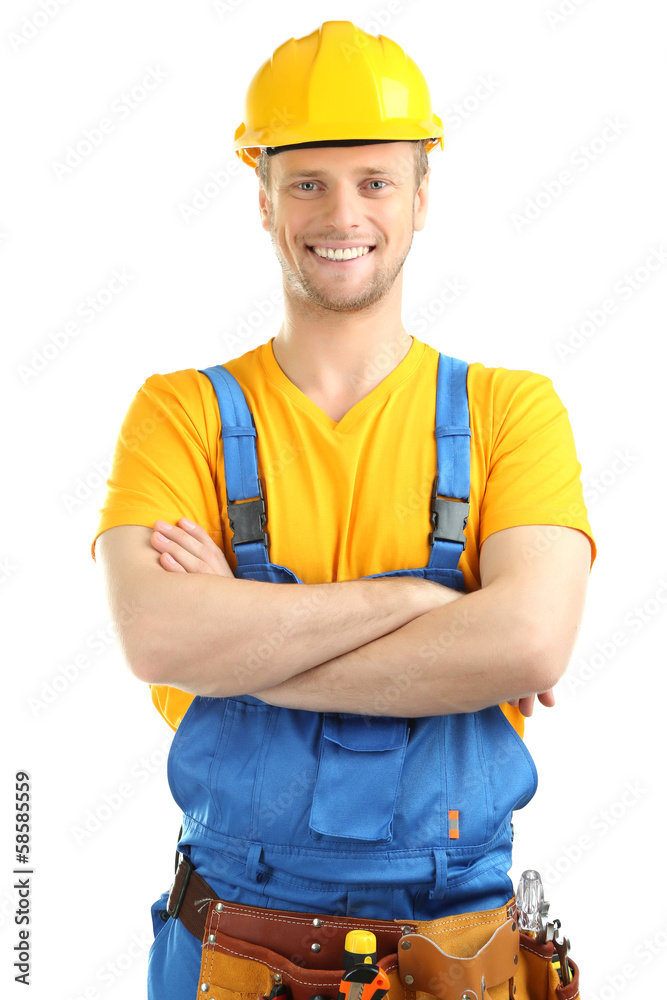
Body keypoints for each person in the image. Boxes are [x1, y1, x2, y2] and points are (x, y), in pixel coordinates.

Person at [92, 20, 595, 1000]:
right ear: (264, 196)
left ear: (420, 194)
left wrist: (243, 647)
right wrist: (418, 604)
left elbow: (531, 641)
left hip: (456, 956)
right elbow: (157, 635)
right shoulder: (178, 413)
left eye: (373, 180)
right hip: (226, 954)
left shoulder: (509, 410)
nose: (342, 211)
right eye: (308, 180)